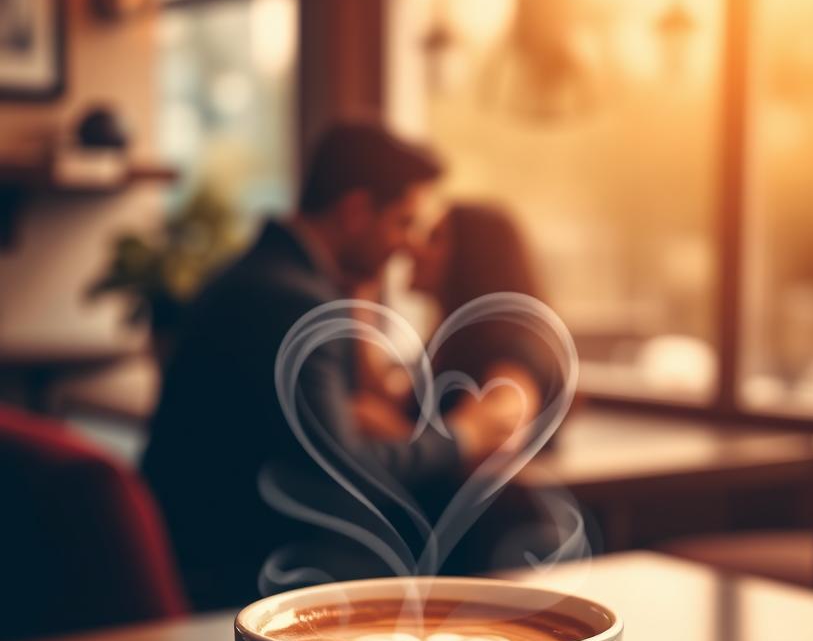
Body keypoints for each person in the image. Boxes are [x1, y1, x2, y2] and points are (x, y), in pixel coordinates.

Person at [142, 123, 510, 610]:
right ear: (356, 212)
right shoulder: (298, 304)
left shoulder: (257, 276)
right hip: (247, 575)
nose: (408, 246)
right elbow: (347, 470)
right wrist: (464, 433)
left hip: (209, 547)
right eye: (402, 222)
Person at [352, 202, 566, 571]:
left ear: (476, 259)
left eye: (434, 239)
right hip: (446, 548)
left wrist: (382, 427)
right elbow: (395, 401)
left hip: (485, 558)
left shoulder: (515, 342)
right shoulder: (458, 342)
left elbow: (496, 431)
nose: (414, 248)